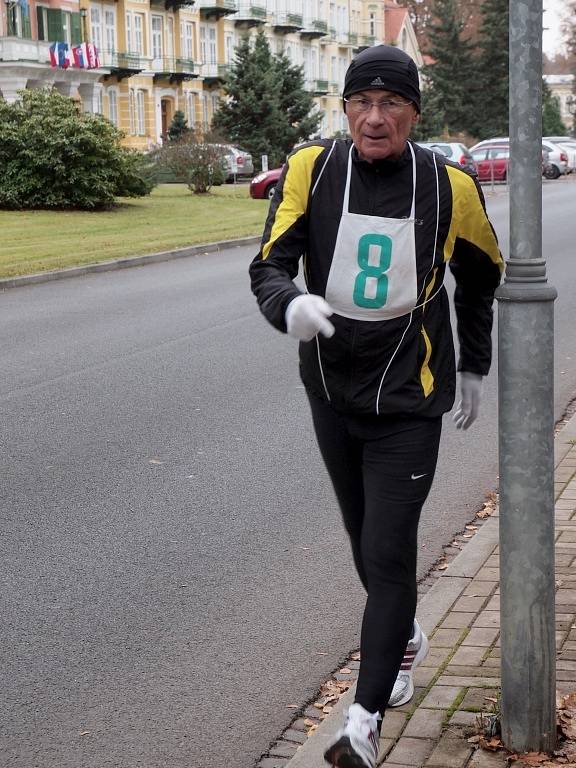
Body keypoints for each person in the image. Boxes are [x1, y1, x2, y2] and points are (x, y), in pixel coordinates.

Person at [249, 44, 503, 768]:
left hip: (409, 397)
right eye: (361, 102)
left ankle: (363, 721)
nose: (375, 117)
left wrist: (475, 365)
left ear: (415, 113)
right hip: (331, 391)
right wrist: (288, 302)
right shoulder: (312, 168)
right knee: (365, 544)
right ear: (346, 110)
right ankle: (406, 637)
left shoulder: (448, 185)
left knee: (389, 555)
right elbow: (268, 260)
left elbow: (480, 276)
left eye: (392, 103)